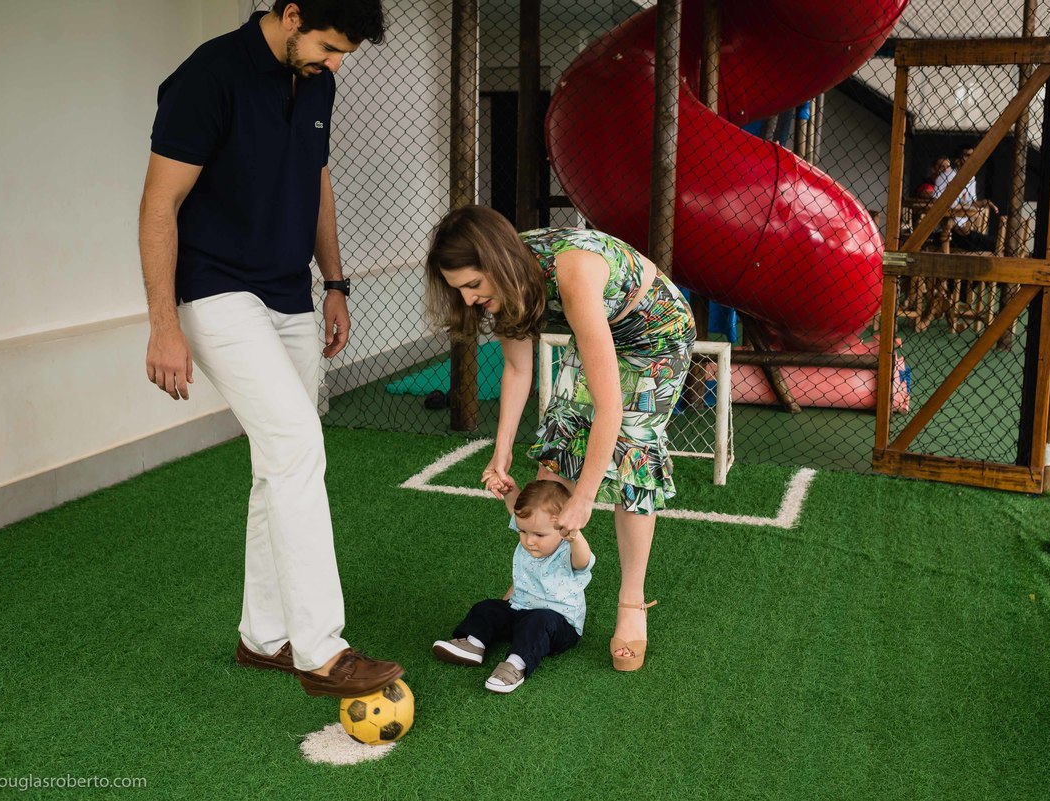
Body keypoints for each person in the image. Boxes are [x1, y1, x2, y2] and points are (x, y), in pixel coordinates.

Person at [138, 0, 402, 698]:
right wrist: (163, 323)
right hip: (214, 289)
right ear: (291, 15)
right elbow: (159, 203)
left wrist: (335, 282)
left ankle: (263, 636)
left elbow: (317, 181)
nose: (335, 64)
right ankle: (322, 650)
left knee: (276, 462)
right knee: (296, 444)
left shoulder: (316, 83)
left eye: (344, 54)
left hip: (289, 291)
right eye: (328, 47)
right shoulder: (207, 77)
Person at [425, 205, 696, 672]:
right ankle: (534, 585)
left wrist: (586, 497)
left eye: (472, 284)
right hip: (600, 327)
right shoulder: (508, 283)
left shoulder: (574, 272)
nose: (467, 299)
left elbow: (610, 409)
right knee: (560, 439)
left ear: (497, 263)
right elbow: (517, 369)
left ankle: (631, 603)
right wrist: (501, 451)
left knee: (633, 451)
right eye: (459, 289)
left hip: (655, 336)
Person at [433, 480, 594, 693]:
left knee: (539, 621)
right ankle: (474, 644)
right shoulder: (531, 533)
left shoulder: (567, 550)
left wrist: (575, 536)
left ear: (563, 529)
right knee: (488, 608)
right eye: (523, 532)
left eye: (539, 535)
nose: (529, 541)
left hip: (558, 625)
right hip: (519, 609)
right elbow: (516, 511)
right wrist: (508, 490)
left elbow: (583, 561)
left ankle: (516, 664)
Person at [932, 145, 999, 252]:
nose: (972, 159)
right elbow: (934, 203)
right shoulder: (945, 177)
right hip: (943, 230)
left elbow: (970, 202)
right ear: (958, 160)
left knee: (993, 244)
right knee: (980, 246)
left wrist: (984, 202)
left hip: (962, 229)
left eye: (973, 155)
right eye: (968, 155)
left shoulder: (971, 178)